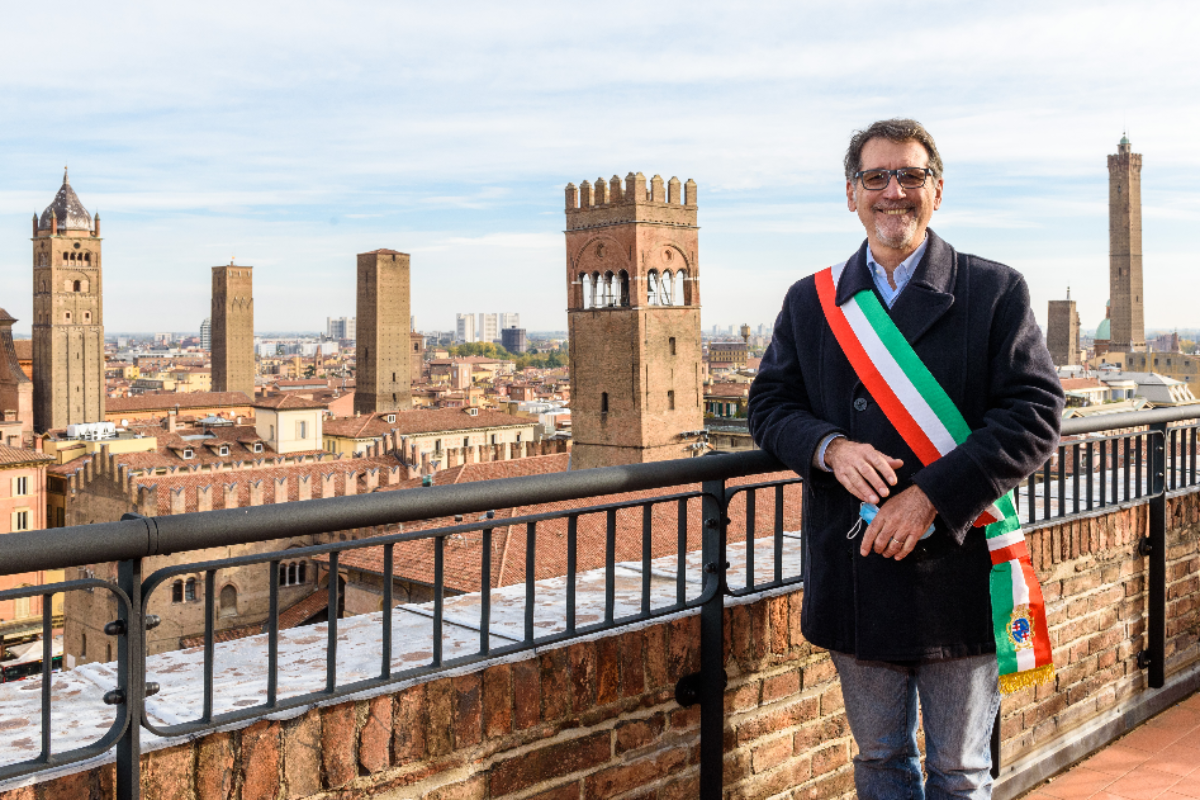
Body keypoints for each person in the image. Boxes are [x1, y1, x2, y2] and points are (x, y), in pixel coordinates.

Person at [747, 119, 1063, 799]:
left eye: (910, 176)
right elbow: (769, 406)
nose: (894, 192)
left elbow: (1035, 416)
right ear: (852, 195)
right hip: (859, 571)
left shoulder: (994, 290)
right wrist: (828, 447)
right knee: (880, 762)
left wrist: (930, 497)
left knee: (960, 771)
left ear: (937, 191)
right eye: (876, 178)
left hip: (958, 565)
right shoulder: (812, 301)